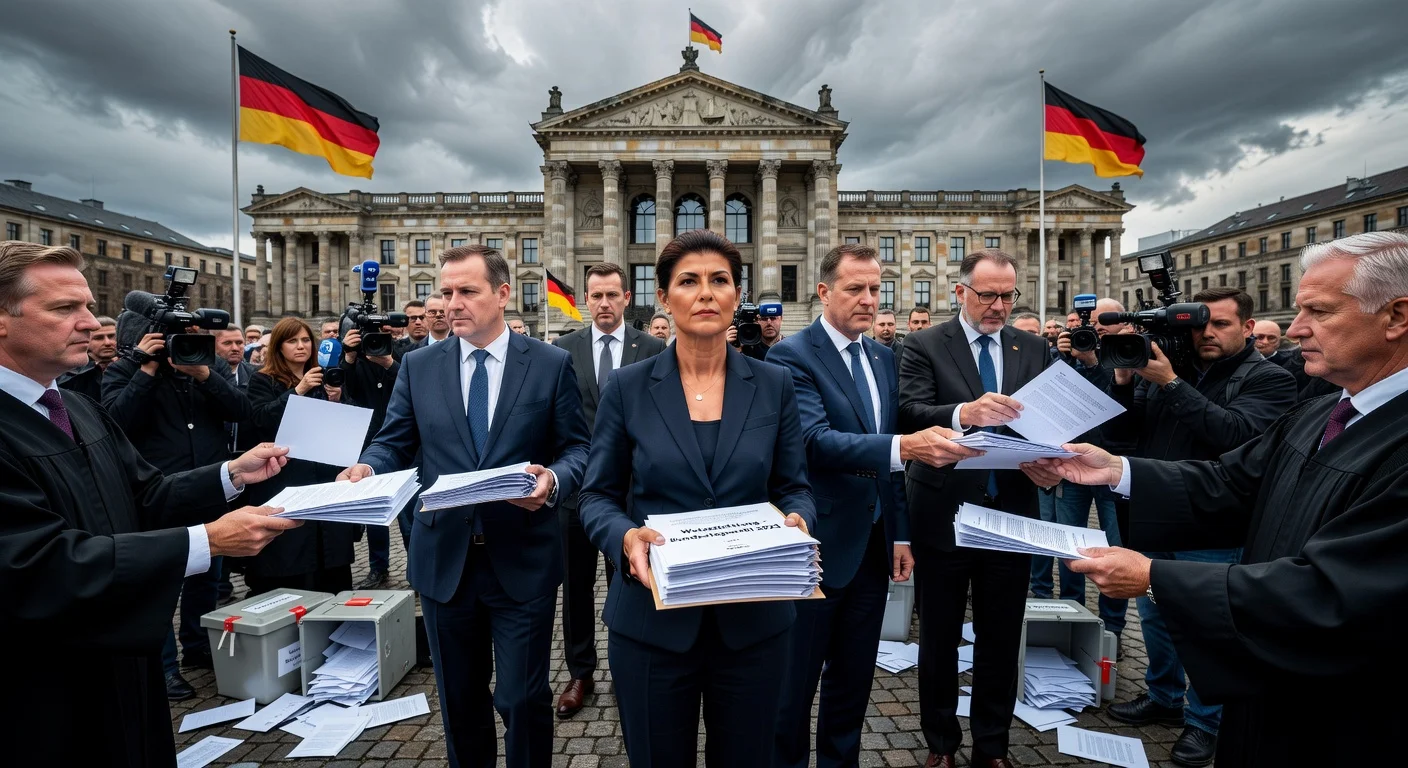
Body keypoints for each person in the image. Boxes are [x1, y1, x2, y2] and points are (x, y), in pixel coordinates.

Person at [1028, 231, 1408, 767]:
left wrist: (1155, 577)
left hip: (1350, 716)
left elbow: (1339, 591)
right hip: (1271, 689)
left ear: (1396, 316)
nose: (1297, 330)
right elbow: (1230, 483)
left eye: (1318, 312)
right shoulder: (1324, 411)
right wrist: (1114, 469)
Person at [0, 240, 296, 768]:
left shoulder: (76, 407)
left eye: (89, 306)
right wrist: (207, 541)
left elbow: (149, 494)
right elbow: (36, 562)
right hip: (44, 688)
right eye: (66, 309)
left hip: (120, 667)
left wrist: (230, 473)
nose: (91, 323)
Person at [341, 244, 591, 768]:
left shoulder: (549, 364)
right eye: (446, 292)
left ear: (502, 294)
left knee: (523, 699)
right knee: (460, 701)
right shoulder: (419, 366)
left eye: (466, 292)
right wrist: (368, 466)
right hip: (444, 562)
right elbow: (395, 441)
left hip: (521, 559)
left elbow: (578, 450)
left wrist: (551, 479)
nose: (452, 303)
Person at [579, 229, 815, 766]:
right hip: (652, 625)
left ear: (737, 294)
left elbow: (794, 484)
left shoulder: (774, 384)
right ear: (663, 297)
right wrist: (625, 536)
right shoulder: (627, 388)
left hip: (754, 624)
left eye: (720, 281)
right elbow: (597, 496)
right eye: (689, 281)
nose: (706, 293)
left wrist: (798, 516)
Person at [767, 244, 976, 768]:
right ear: (823, 292)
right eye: (854, 288)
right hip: (815, 547)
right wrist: (906, 446)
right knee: (793, 688)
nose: (867, 299)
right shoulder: (790, 356)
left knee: (853, 683)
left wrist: (899, 532)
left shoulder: (884, 356)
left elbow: (888, 455)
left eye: (875, 289)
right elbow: (815, 441)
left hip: (873, 547)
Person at [1079, 287, 1297, 766]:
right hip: (1155, 515)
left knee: (1208, 626)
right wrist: (1122, 379)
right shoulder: (1164, 365)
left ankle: (1204, 721)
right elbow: (1120, 437)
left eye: (1221, 324)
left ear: (1247, 327)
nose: (1208, 334)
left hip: (1215, 525)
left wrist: (1172, 384)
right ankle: (1162, 696)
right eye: (1201, 324)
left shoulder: (1269, 379)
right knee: (1156, 619)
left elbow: (1235, 437)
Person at [897, 249, 1051, 768]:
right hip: (944, 511)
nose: (1000, 306)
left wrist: (1052, 455)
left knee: (1001, 637)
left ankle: (992, 748)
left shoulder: (1032, 347)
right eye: (988, 295)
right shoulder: (922, 344)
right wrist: (964, 412)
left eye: (1008, 296)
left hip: (1010, 511)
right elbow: (909, 410)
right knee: (938, 636)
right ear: (959, 292)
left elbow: (1049, 420)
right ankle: (940, 744)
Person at [102, 310, 255, 700]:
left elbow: (241, 411)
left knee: (207, 576)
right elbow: (116, 422)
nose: (181, 344)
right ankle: (165, 666)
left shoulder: (208, 367)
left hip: (209, 487)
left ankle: (198, 645)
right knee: (164, 582)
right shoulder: (124, 371)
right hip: (159, 492)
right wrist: (146, 369)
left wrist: (205, 376)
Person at [551, 262, 666, 718]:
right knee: (576, 586)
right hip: (578, 492)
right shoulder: (563, 349)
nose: (603, 304)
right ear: (585, 298)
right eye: (595, 296)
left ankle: (630, 665)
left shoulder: (653, 347)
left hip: (634, 492)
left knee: (633, 580)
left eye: (611, 296)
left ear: (625, 298)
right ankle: (581, 672)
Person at [1033, 299, 1131, 640]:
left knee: (1115, 548)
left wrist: (1092, 360)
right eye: (1094, 326)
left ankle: (1113, 629)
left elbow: (1118, 401)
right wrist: (1063, 356)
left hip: (1115, 467)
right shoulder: (1070, 354)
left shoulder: (1127, 354)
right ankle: (1069, 613)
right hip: (1073, 465)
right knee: (1067, 545)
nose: (1098, 330)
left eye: (1106, 323)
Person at [243, 317, 362, 595]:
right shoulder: (263, 379)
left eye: (306, 340)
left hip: (325, 482)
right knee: (292, 561)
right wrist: (298, 390)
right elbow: (260, 419)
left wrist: (337, 399)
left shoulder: (326, 376)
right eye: (292, 341)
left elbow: (349, 423)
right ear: (279, 347)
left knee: (331, 568)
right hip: (285, 481)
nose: (301, 347)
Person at [341, 324, 403, 589]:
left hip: (405, 441)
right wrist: (349, 357)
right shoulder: (354, 356)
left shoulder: (400, 351)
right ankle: (379, 568)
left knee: (412, 515)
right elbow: (346, 390)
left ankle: (419, 570)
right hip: (368, 443)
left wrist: (389, 362)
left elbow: (412, 384)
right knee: (375, 514)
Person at [58, 314, 117, 400]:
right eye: (98, 338)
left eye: (112, 336)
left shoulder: (132, 367)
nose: (107, 342)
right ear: (87, 340)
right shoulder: (70, 370)